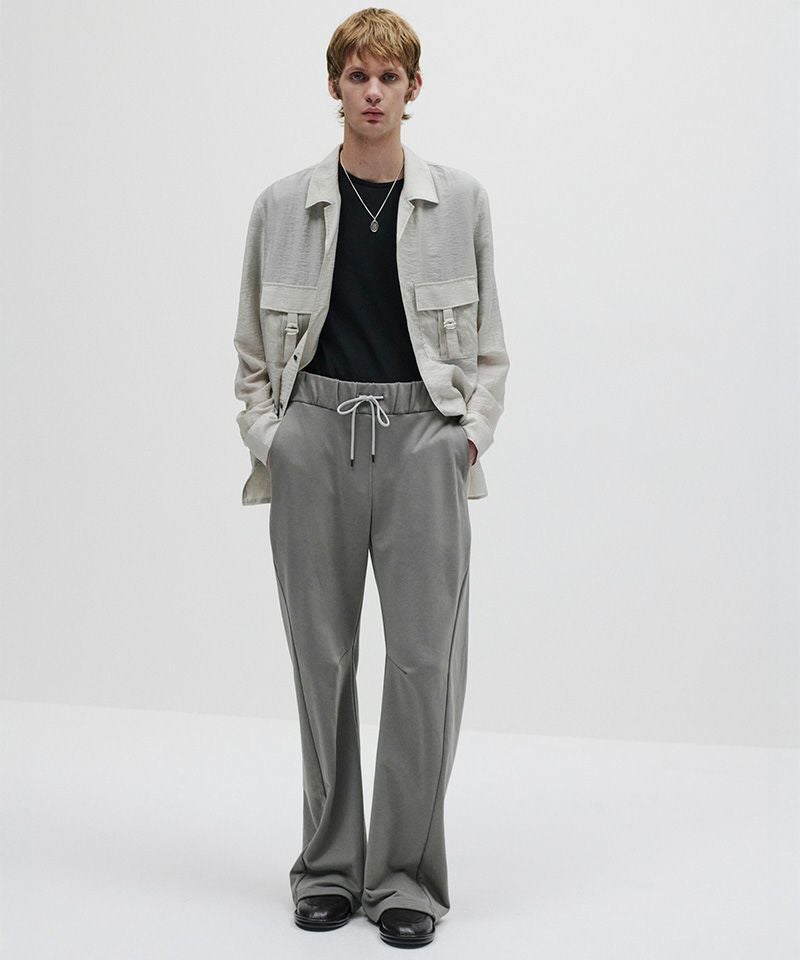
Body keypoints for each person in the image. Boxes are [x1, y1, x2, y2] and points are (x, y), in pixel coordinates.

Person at [232, 7, 509, 949]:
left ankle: (405, 880)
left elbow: (492, 350)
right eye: (358, 76)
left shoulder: (461, 202)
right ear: (335, 87)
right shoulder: (281, 206)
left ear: (414, 89)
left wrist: (466, 438)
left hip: (423, 437)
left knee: (425, 663)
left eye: (390, 78)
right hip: (314, 436)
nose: (374, 93)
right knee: (322, 660)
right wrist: (275, 440)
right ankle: (327, 868)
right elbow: (249, 354)